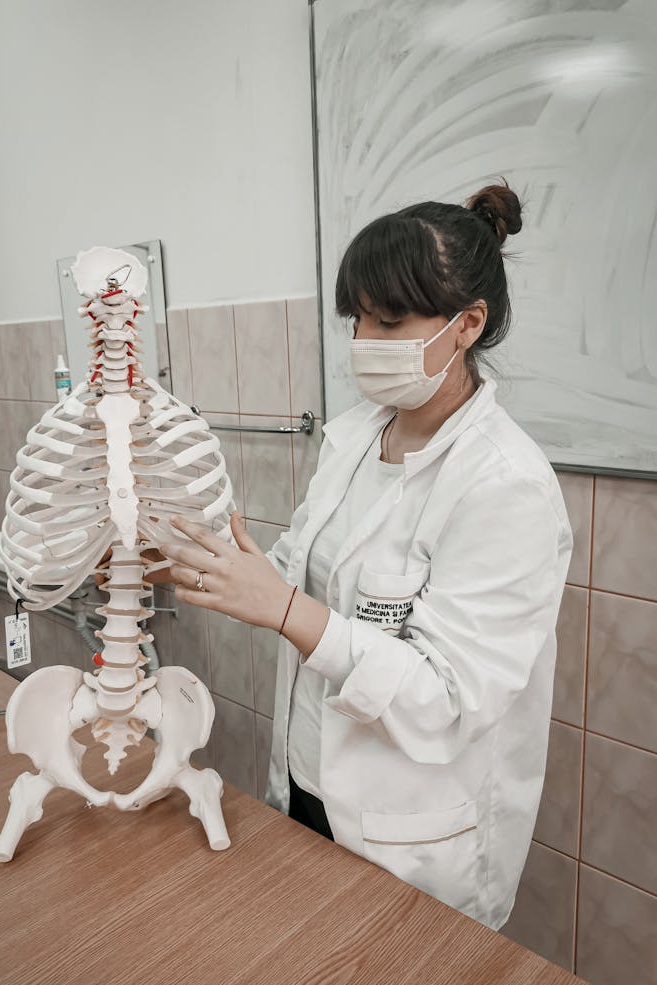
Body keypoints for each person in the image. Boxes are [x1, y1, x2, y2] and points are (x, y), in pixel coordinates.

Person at [147, 180, 573, 932]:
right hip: (310, 783)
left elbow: (449, 699)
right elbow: (301, 577)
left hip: (412, 830)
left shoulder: (506, 487)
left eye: (389, 321)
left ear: (467, 324)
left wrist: (284, 609)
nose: (363, 345)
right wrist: (201, 564)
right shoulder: (354, 437)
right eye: (357, 320)